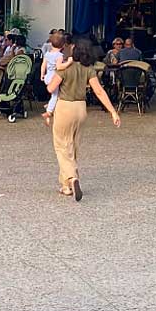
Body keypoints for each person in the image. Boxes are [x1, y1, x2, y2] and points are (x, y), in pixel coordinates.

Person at [46, 39, 121, 201]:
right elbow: (99, 92)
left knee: (61, 146)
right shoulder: (89, 69)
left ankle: (72, 178)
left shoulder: (65, 68)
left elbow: (51, 88)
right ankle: (66, 186)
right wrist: (113, 112)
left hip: (65, 106)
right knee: (73, 145)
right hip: (81, 108)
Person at [40, 29, 65, 128]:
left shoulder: (47, 54)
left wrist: (42, 74)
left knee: (55, 96)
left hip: (47, 76)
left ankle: (50, 110)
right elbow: (59, 67)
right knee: (55, 96)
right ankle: (49, 112)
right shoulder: (60, 55)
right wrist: (68, 63)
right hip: (55, 77)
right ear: (63, 45)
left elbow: (43, 65)